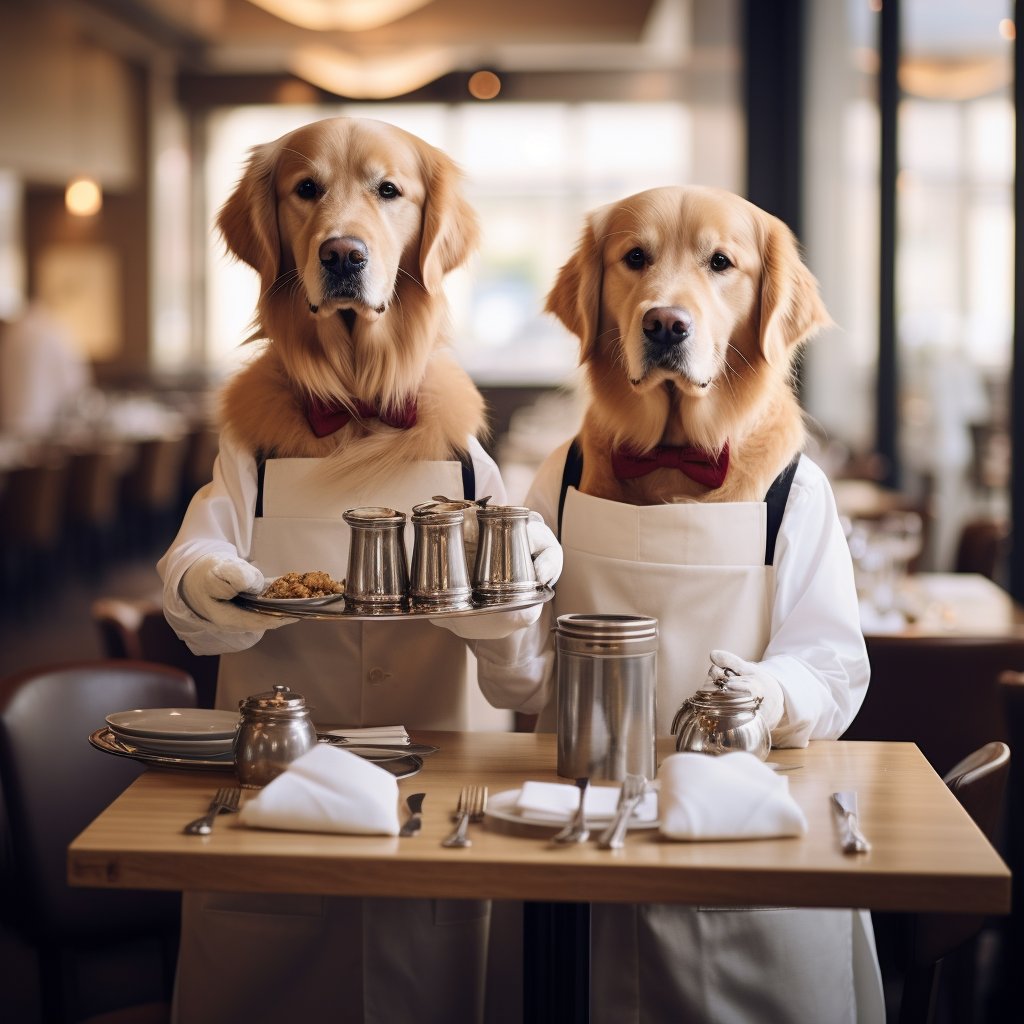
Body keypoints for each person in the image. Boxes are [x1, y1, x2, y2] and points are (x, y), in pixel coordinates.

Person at [467, 436, 885, 1024]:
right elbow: (522, 686)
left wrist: (771, 693)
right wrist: (502, 598)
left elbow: (832, 667)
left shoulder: (795, 484)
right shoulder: (565, 472)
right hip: (577, 841)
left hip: (741, 846)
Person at [0, 296, 92, 437]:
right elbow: (76, 383)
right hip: (43, 426)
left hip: (11, 422)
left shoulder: (13, 333)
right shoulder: (55, 332)